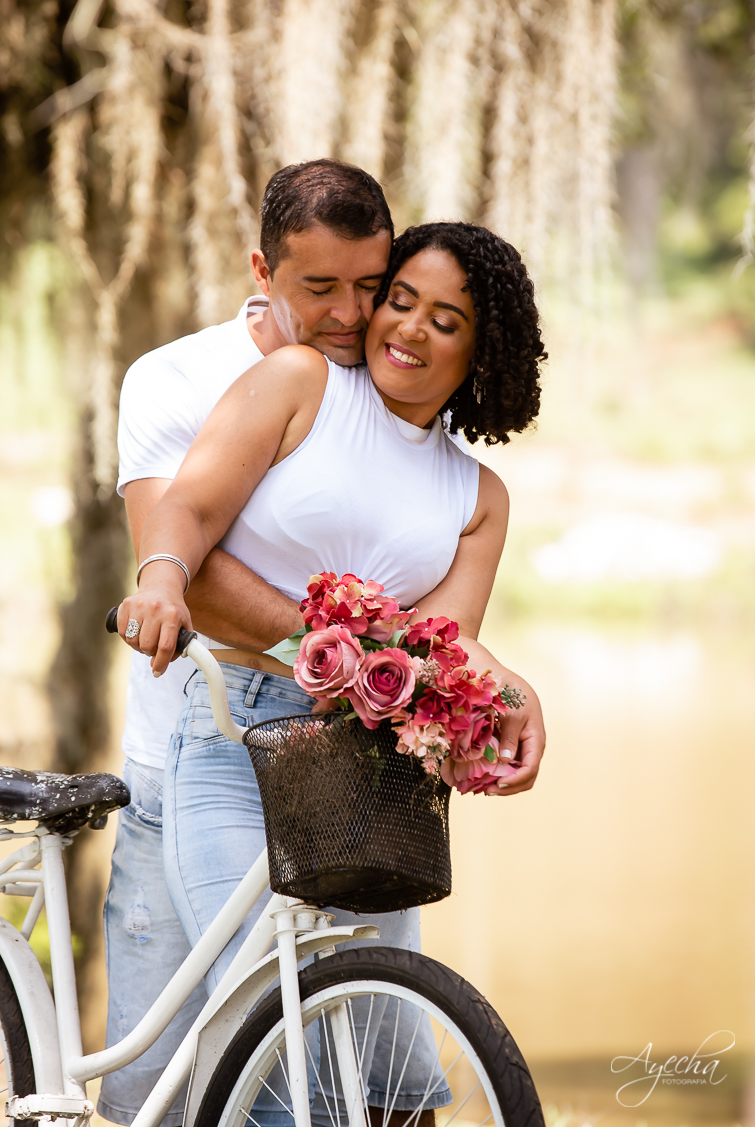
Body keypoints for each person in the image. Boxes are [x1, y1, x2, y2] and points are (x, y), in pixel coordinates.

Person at [116, 220, 547, 1124]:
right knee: (268, 1041)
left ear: (483, 350)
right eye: (402, 300)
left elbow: (447, 640)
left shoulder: (478, 497)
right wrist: (161, 577)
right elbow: (188, 508)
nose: (410, 328)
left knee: (383, 1071)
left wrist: (512, 691)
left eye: (447, 319)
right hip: (234, 732)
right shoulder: (300, 382)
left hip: (369, 767)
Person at [99, 159, 396, 1125]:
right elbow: (180, 550)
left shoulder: (384, 386)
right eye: (321, 289)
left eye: (371, 284)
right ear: (262, 269)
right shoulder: (177, 377)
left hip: (350, 777)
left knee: (380, 1077)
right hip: (189, 759)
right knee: (165, 1095)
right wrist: (344, 647)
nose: (354, 314)